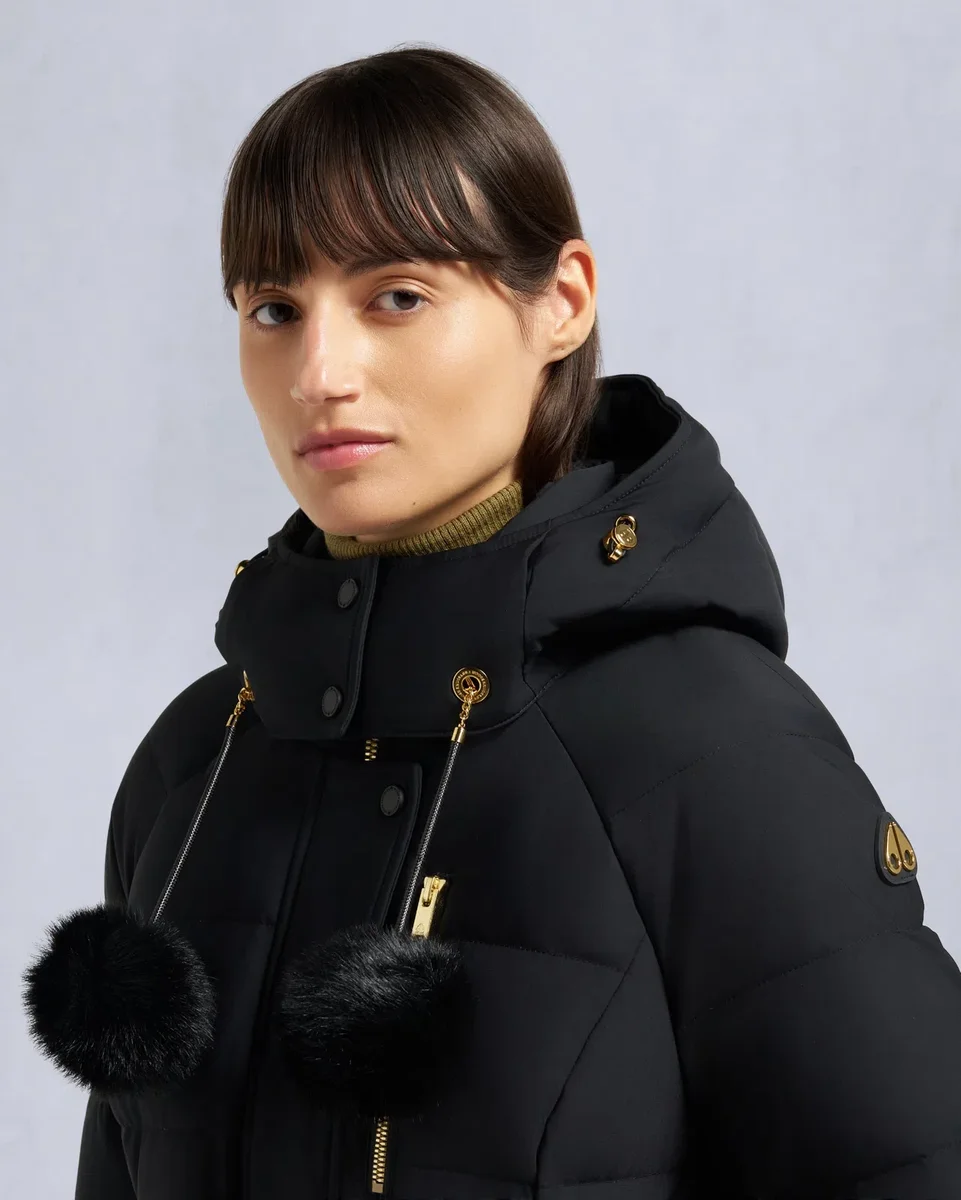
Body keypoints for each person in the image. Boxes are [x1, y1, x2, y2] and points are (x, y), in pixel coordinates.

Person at [22, 44, 961, 1200]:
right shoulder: (193, 764)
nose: (318, 371)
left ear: (560, 302)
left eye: (397, 297)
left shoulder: (708, 747)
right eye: (273, 308)